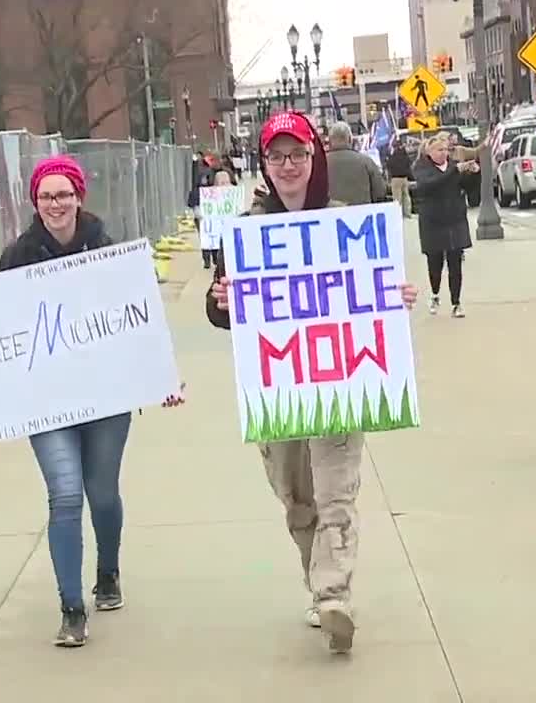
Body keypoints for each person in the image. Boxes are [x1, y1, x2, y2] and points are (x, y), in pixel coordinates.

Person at [0, 155, 186, 649]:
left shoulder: (107, 250)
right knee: (66, 495)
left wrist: (158, 377)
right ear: (35, 203)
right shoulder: (16, 257)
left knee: (101, 493)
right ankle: (71, 607)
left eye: (63, 194)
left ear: (79, 197)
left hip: (106, 396)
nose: (55, 204)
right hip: (47, 401)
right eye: (46, 196)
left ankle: (108, 571)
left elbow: (136, 321)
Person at [205, 111, 418, 655]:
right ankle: (317, 582)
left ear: (314, 159)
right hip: (278, 385)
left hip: (340, 380)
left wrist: (394, 296)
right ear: (265, 165)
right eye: (276, 156)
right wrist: (221, 301)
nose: (288, 165)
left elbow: (371, 289)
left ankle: (334, 594)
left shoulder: (344, 224)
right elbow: (223, 308)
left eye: (297, 154)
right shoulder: (248, 233)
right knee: (298, 498)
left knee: (336, 491)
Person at [412, 131, 476, 318]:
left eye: (445, 150)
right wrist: (455, 171)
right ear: (429, 153)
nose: (443, 153)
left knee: (455, 263)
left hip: (454, 220)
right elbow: (430, 185)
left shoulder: (454, 167)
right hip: (433, 222)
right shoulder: (422, 169)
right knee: (435, 262)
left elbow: (469, 189)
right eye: (438, 150)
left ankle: (456, 302)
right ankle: (435, 293)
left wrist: (473, 174)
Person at [325, 122, 386, 207]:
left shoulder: (320, 164)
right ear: (350, 139)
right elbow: (380, 192)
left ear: (330, 141)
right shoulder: (366, 161)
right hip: (362, 215)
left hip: (329, 216)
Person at [199, 169, 235, 269]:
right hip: (214, 227)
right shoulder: (210, 195)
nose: (225, 185)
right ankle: (210, 259)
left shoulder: (233, 193)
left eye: (227, 182)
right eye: (222, 183)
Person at [386, 138, 414, 218]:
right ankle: (408, 213)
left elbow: (388, 165)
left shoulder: (392, 156)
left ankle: (398, 215)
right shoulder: (404, 155)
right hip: (405, 178)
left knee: (397, 198)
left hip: (395, 178)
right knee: (406, 196)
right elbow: (409, 163)